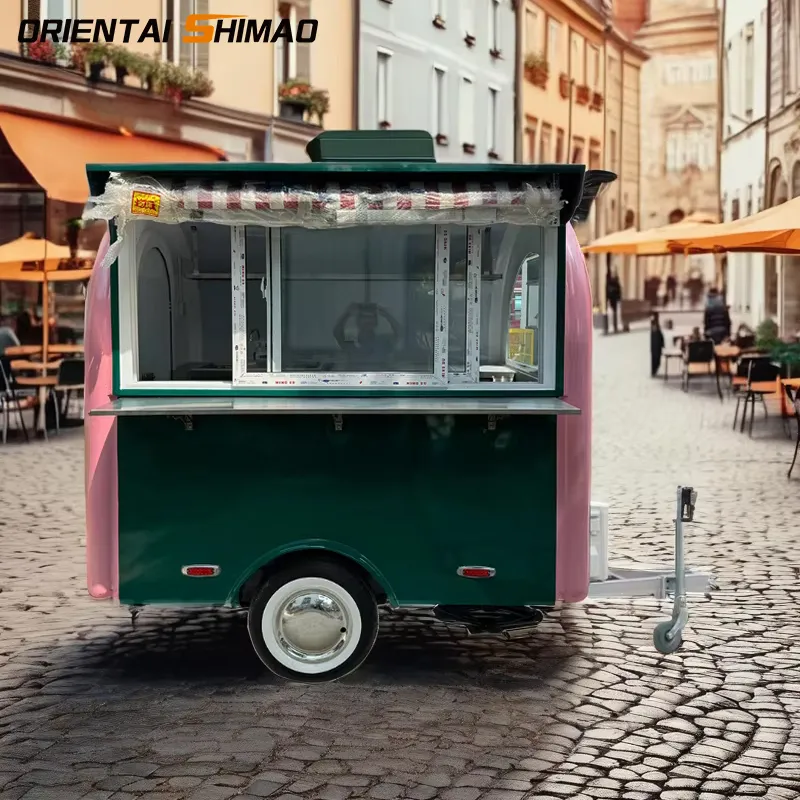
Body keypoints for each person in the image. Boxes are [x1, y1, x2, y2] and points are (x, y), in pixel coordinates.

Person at [333, 302, 401, 368]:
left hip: (379, 378)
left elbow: (399, 333)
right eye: (364, 318)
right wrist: (347, 314)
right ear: (358, 322)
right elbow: (337, 333)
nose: (367, 322)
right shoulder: (350, 343)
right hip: (354, 378)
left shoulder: (383, 342)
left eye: (370, 319)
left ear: (375, 323)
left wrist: (386, 314)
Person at [605, 268, 622, 333]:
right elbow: (608, 292)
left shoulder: (616, 282)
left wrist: (618, 299)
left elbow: (619, 292)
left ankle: (618, 325)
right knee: (610, 313)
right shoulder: (609, 282)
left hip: (616, 299)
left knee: (618, 312)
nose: (613, 274)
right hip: (611, 299)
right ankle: (611, 327)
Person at [650, 313, 664, 378]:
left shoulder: (656, 325)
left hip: (656, 346)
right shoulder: (654, 325)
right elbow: (657, 336)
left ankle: (654, 371)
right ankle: (653, 371)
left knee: (656, 360)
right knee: (656, 359)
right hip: (656, 346)